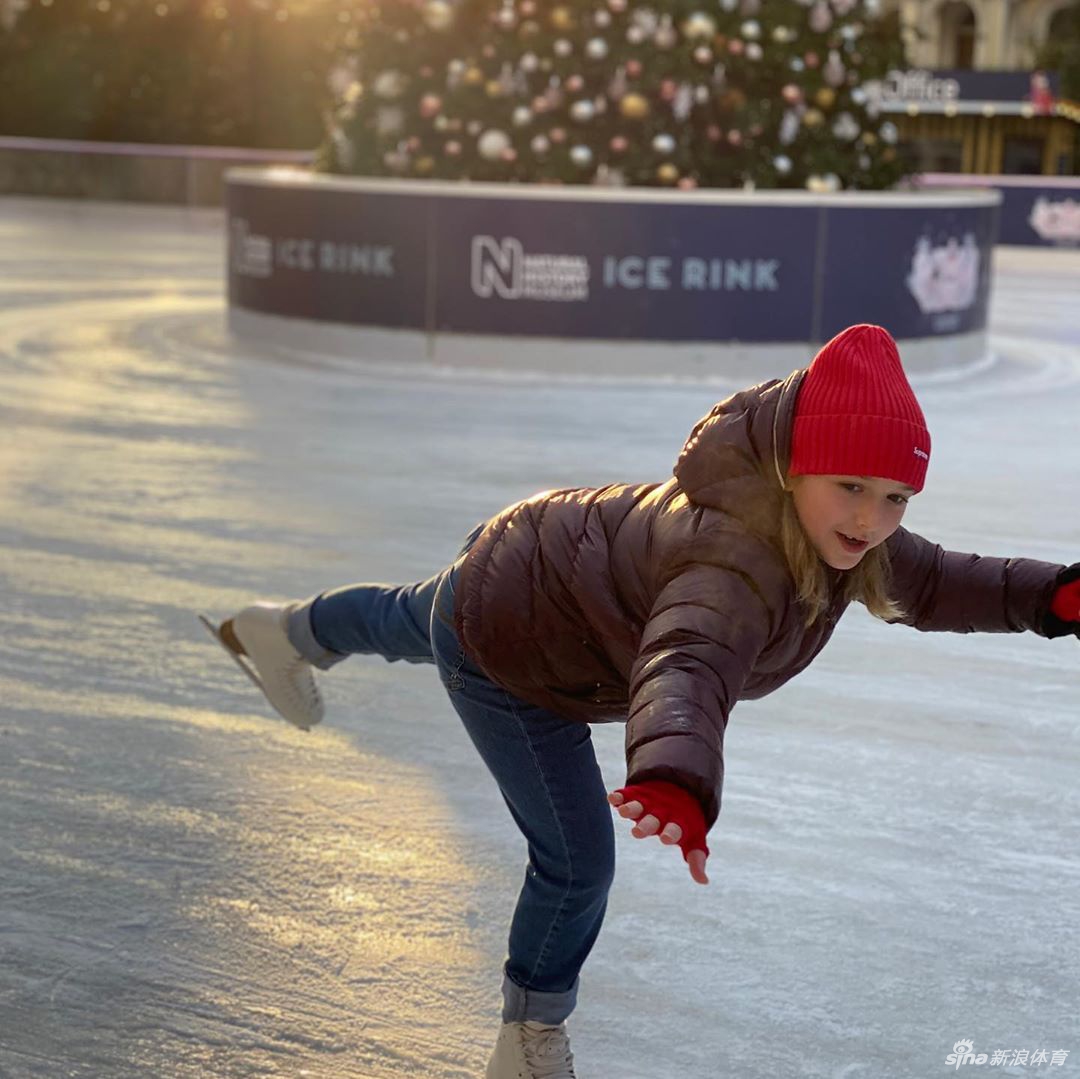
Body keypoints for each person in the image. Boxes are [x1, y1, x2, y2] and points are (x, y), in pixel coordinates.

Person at [202, 323, 1080, 1079]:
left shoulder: (847, 536)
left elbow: (946, 580)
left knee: (409, 615)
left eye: (895, 497)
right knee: (576, 859)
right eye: (850, 485)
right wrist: (672, 773)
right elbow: (689, 659)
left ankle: (278, 630)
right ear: (793, 467)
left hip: (524, 557)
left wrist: (1056, 597)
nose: (871, 518)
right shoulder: (732, 560)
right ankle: (527, 1039)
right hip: (516, 649)